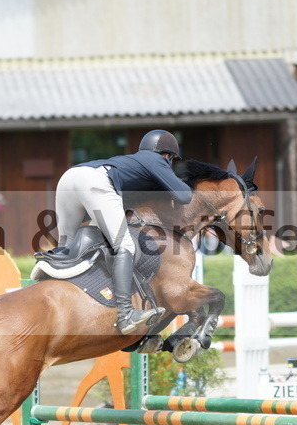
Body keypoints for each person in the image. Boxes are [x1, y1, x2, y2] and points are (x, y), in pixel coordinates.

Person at [48, 129, 193, 335]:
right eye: (171, 160)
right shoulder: (157, 160)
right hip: (94, 182)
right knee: (124, 245)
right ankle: (125, 314)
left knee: (66, 246)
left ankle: (47, 290)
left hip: (69, 177)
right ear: (167, 156)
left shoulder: (133, 162)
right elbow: (184, 196)